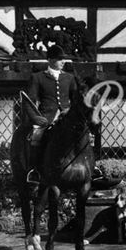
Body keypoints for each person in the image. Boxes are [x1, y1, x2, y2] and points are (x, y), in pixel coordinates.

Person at [23, 44, 78, 183]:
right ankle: (34, 170)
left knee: (84, 134)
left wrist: (71, 111)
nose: (63, 62)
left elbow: (76, 100)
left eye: (64, 59)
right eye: (60, 59)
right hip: (46, 118)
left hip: (67, 118)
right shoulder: (38, 77)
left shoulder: (69, 78)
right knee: (36, 136)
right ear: (50, 60)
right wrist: (36, 118)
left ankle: (90, 167)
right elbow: (29, 101)